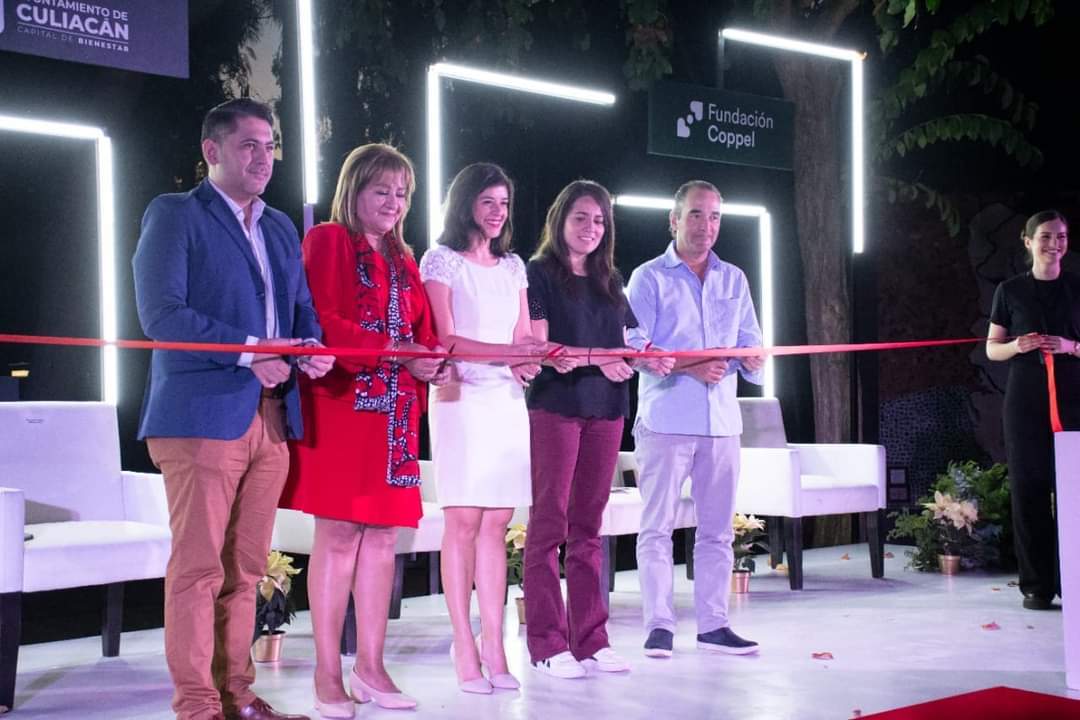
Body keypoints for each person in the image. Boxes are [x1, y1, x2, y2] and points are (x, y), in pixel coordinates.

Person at [133, 98, 334, 720]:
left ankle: (237, 694)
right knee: (197, 570)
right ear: (211, 151)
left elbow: (300, 313)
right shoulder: (174, 215)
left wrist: (310, 351)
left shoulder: (278, 226)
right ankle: (196, 705)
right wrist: (253, 354)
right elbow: (163, 316)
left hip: (271, 416)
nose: (264, 157)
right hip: (201, 415)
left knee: (246, 569)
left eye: (270, 145)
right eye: (249, 145)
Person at [279, 144, 448, 717]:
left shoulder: (405, 259)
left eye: (402, 194)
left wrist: (428, 360)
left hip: (397, 418)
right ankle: (328, 674)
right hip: (342, 407)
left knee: (382, 539)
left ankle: (372, 668)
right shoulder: (327, 240)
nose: (393, 203)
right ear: (354, 191)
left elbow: (422, 333)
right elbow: (322, 317)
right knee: (340, 535)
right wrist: (400, 352)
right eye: (382, 191)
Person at [523, 180, 674, 679]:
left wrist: (647, 355)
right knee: (549, 527)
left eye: (600, 220)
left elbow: (632, 337)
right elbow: (545, 350)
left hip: (608, 411)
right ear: (561, 219)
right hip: (557, 409)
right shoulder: (538, 273)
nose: (591, 228)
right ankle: (547, 643)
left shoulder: (611, 278)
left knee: (589, 529)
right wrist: (602, 359)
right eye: (582, 218)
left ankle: (591, 639)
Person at [419, 162, 550, 694]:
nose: (497, 213)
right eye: (488, 202)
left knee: (498, 523)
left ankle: (495, 643)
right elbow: (445, 339)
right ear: (465, 202)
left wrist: (529, 361)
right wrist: (510, 353)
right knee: (464, 523)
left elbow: (522, 333)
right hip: (459, 397)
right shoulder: (440, 260)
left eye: (504, 204)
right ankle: (464, 645)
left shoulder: (515, 265)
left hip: (505, 401)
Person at [625, 180, 765, 658]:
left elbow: (750, 342)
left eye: (714, 217)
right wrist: (691, 363)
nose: (706, 226)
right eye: (696, 215)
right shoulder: (648, 278)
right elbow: (633, 350)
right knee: (657, 529)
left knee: (718, 532)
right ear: (674, 220)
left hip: (723, 424)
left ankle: (714, 625)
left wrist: (753, 359)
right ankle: (659, 626)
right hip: (666, 421)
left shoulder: (735, 279)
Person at [987, 209, 1080, 611]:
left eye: (1060, 236)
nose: (1053, 244)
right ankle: (1036, 586)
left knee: (1074, 491)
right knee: (1029, 490)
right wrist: (1017, 347)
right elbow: (993, 348)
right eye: (1044, 236)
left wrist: (1070, 346)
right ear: (1027, 242)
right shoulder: (1009, 291)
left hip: (1074, 396)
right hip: (1025, 398)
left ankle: (1073, 580)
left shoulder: (1077, 288)